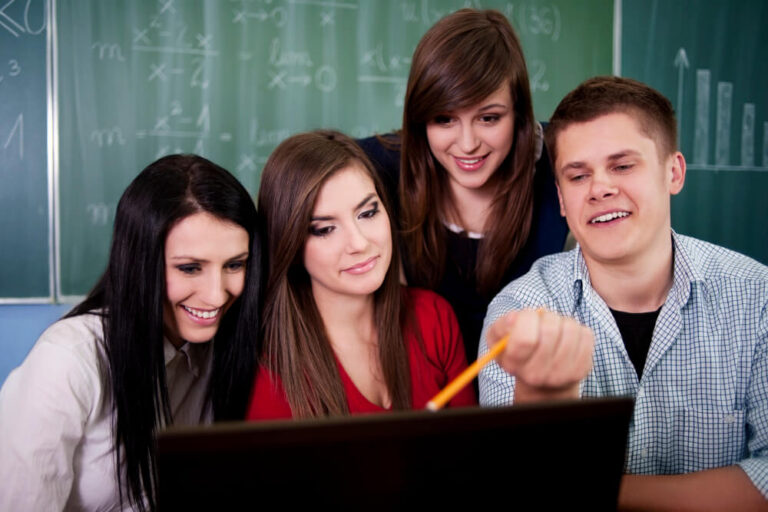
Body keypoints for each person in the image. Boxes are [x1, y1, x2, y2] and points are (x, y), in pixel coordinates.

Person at [479, 76, 768, 509]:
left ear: (673, 172)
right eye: (578, 176)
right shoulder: (520, 311)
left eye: (622, 166)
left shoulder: (757, 298)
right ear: (560, 199)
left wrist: (599, 489)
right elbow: (519, 486)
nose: (600, 189)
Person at [0, 155, 261, 511]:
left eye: (234, 265)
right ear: (140, 262)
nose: (217, 295)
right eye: (189, 268)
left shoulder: (227, 349)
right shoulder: (68, 360)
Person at [358, 8, 569, 364]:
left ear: (519, 113)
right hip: (434, 389)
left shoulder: (565, 159)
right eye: (445, 119)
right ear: (420, 118)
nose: (468, 143)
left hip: (535, 387)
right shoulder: (381, 163)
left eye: (489, 118)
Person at [246, 130, 475, 420]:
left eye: (367, 213)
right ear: (288, 244)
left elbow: (473, 456)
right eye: (324, 229)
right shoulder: (268, 368)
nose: (359, 243)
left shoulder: (434, 318)